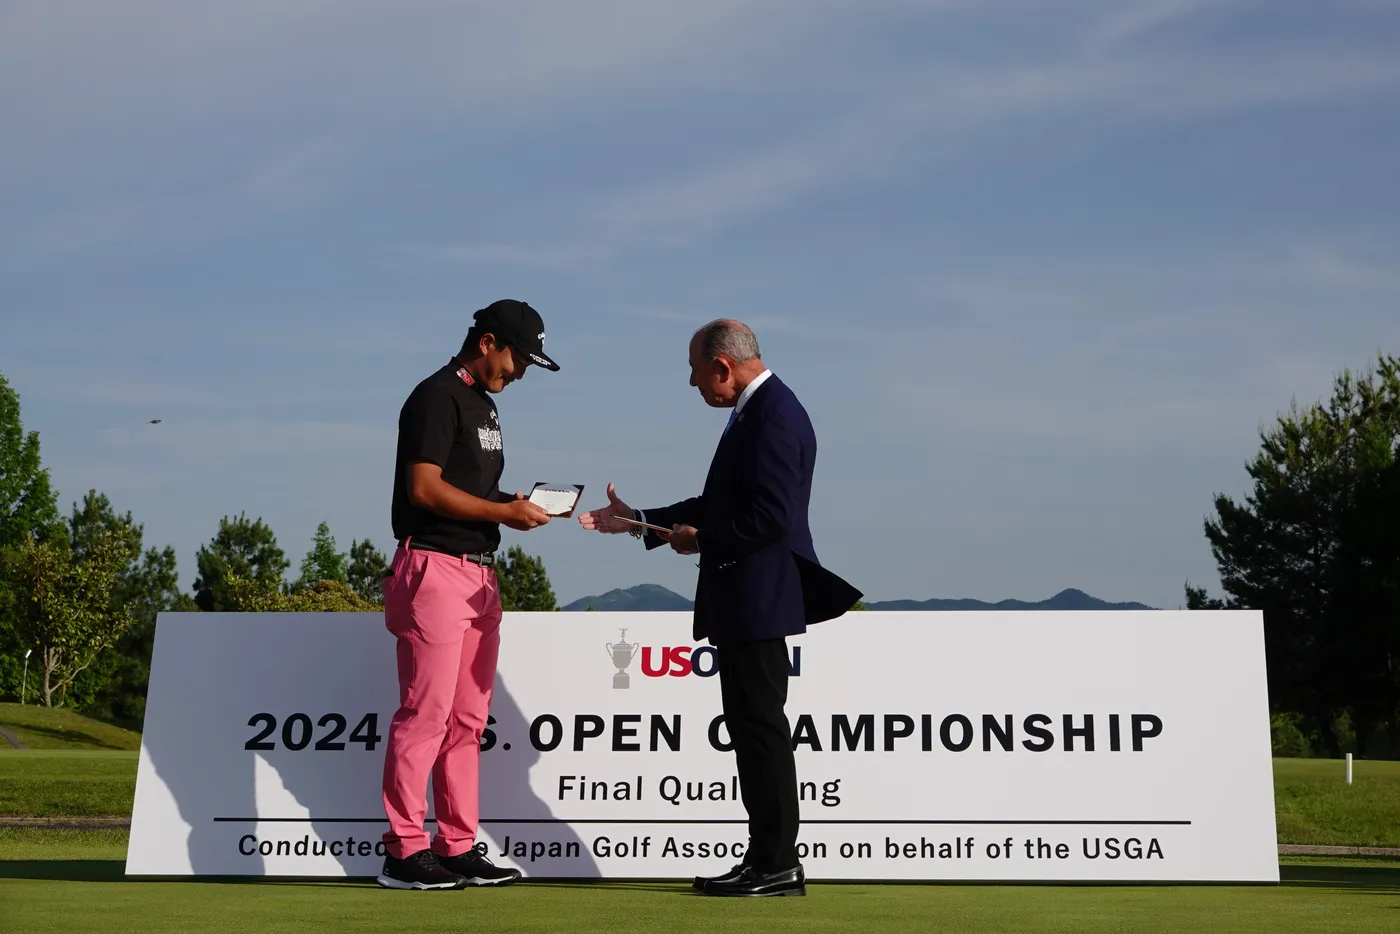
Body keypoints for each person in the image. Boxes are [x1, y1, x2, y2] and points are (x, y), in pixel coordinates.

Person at [578, 319, 860, 897]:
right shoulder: (760, 412)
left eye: (695, 370)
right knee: (753, 729)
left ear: (723, 366)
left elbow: (771, 518)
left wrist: (702, 540)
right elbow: (720, 503)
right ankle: (767, 860)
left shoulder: (774, 415)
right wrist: (641, 521)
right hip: (748, 599)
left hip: (758, 599)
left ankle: (776, 863)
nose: (692, 383)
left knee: (760, 730)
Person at [377, 299, 560, 890]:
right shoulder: (436, 396)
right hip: (433, 565)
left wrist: (512, 504)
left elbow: (470, 487)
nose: (521, 372)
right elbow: (425, 488)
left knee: (466, 720)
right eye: (517, 359)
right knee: (425, 714)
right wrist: (503, 513)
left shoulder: (484, 404)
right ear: (487, 343)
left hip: (479, 574)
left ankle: (455, 845)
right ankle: (404, 850)